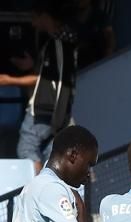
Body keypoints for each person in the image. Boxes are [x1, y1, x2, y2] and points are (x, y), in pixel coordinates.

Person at [0, 2, 78, 174]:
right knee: (53, 154)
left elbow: (49, 79)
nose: (33, 23)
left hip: (47, 106)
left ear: (45, 16)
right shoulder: (62, 40)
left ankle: (36, 189)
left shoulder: (59, 42)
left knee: (26, 147)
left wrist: (9, 80)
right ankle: (51, 189)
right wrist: (32, 65)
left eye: (35, 17)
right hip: (57, 109)